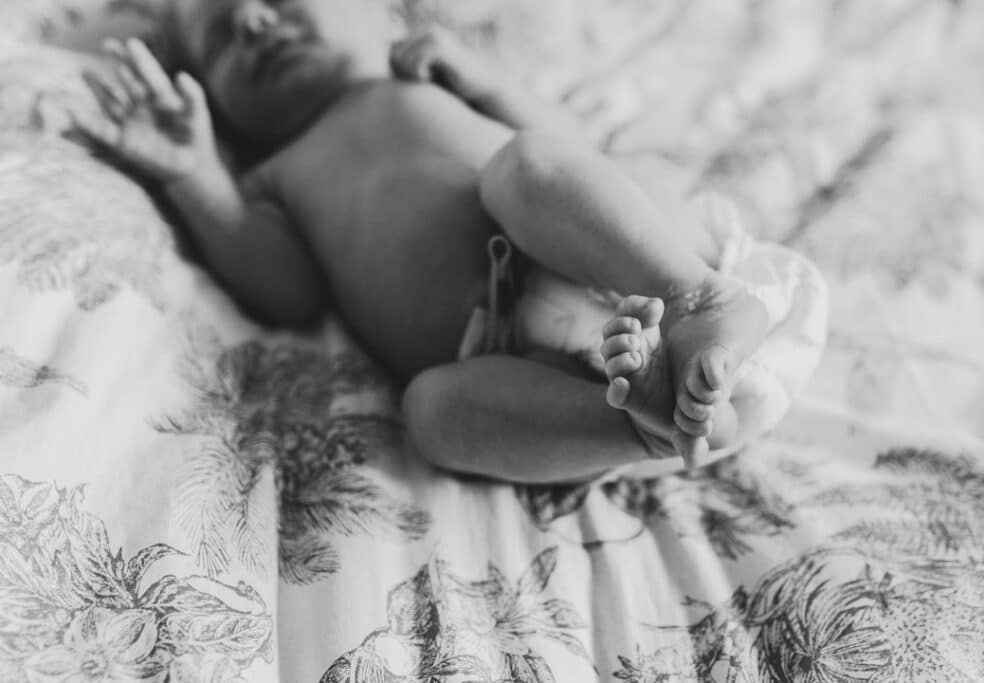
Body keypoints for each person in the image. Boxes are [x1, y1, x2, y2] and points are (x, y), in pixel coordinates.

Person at [72, 0, 775, 483]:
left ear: (386, 12)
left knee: (526, 164)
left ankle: (698, 296)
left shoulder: (418, 78)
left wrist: (492, 83)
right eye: (221, 37)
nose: (253, 20)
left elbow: (573, 152)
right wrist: (197, 177)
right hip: (516, 362)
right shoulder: (270, 176)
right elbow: (287, 290)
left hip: (620, 260)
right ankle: (642, 423)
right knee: (430, 414)